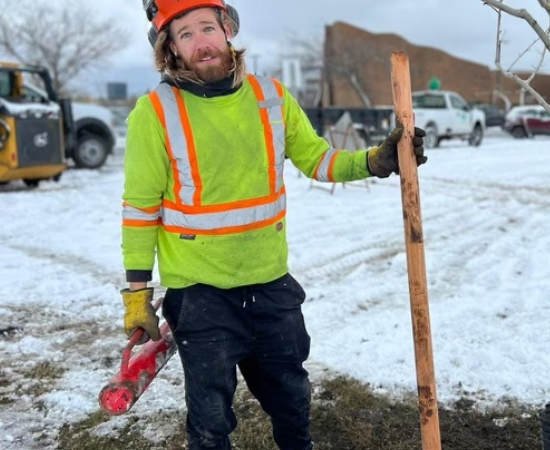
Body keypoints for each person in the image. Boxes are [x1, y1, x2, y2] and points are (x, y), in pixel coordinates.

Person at [120, 1, 427, 449]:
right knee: (209, 422)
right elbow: (140, 209)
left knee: (291, 401)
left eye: (207, 27)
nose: (201, 42)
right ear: (170, 49)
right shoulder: (154, 113)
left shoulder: (271, 97)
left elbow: (319, 159)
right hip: (200, 296)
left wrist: (377, 161)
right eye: (185, 34)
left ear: (227, 30)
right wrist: (136, 293)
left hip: (270, 286)